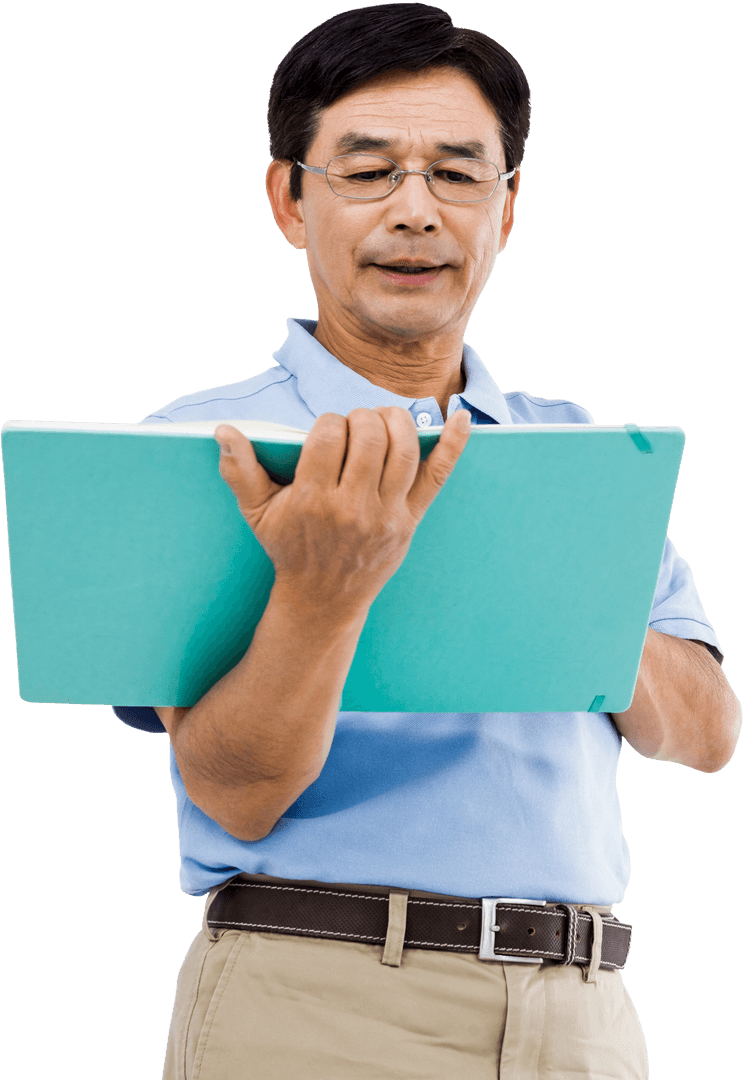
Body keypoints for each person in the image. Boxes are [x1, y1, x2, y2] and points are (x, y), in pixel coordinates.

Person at [111, 5, 741, 1078]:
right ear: (288, 200)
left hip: (582, 1013)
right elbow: (231, 787)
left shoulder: (577, 452)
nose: (416, 212)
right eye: (367, 172)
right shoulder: (200, 449)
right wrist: (321, 591)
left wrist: (538, 582)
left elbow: (707, 731)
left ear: (506, 211)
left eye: (457, 173)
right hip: (315, 1001)